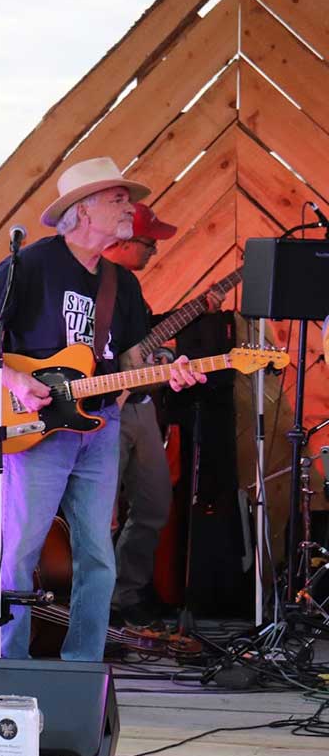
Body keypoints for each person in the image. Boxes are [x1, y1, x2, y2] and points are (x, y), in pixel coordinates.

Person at [0, 157, 205, 661]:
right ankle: (8, 662)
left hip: (100, 425)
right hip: (35, 426)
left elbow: (130, 359)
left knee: (97, 556)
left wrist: (167, 365)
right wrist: (12, 378)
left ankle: (82, 665)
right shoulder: (34, 264)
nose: (132, 206)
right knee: (21, 551)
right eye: (118, 198)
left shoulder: (121, 284)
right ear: (83, 211)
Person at [102, 204, 225, 626]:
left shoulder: (130, 287)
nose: (154, 250)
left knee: (154, 505)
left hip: (138, 405)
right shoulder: (90, 279)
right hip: (104, 408)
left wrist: (163, 355)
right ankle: (97, 604)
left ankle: (125, 595)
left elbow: (140, 344)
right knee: (102, 513)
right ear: (122, 238)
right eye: (149, 242)